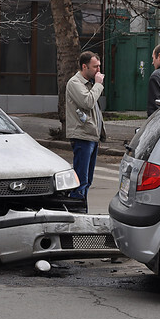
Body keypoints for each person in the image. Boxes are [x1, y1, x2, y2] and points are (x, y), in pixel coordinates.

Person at [65, 51, 105, 210]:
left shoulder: (89, 84)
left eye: (99, 66)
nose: (98, 70)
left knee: (87, 180)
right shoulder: (75, 83)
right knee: (81, 179)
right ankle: (76, 210)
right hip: (82, 136)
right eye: (95, 66)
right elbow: (87, 102)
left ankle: (83, 208)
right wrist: (99, 85)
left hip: (92, 136)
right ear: (84, 66)